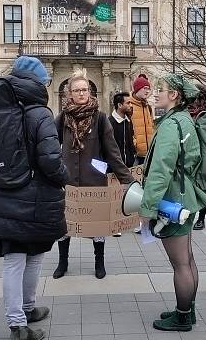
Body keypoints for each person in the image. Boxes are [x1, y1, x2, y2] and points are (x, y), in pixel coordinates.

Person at [0, 56, 68, 340]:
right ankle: (18, 322)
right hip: (35, 196)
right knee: (29, 258)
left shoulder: (1, 107)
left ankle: (26, 311)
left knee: (18, 257)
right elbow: (51, 160)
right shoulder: (39, 112)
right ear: (39, 83)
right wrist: (65, 177)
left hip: (4, 192)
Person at [53, 69, 135, 279]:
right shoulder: (62, 118)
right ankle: (63, 263)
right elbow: (51, 146)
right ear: (69, 94)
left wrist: (128, 180)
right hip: (68, 181)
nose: (81, 94)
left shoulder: (99, 118)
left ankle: (99, 262)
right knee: (65, 225)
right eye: (77, 90)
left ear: (90, 93)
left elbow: (112, 152)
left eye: (85, 90)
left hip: (94, 181)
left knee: (98, 226)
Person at [141, 73, 206, 331]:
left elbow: (161, 169)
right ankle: (187, 310)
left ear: (174, 96)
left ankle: (181, 317)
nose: (156, 93)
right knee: (188, 259)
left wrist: (147, 208)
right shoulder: (183, 120)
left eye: (162, 89)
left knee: (180, 264)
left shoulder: (171, 125)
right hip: (186, 196)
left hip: (173, 202)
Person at [129, 74, 155, 234]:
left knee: (147, 188)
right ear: (138, 89)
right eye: (145, 88)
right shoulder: (129, 105)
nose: (148, 91)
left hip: (148, 153)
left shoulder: (147, 106)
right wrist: (134, 144)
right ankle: (134, 220)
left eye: (148, 88)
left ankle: (144, 220)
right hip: (135, 154)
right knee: (135, 188)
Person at [189, 84, 206, 231]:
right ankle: (191, 215)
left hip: (203, 155)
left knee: (202, 187)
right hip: (190, 154)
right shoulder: (187, 111)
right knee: (191, 187)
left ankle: (201, 218)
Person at [108, 92, 136, 168]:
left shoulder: (128, 121)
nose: (131, 105)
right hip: (114, 169)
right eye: (128, 103)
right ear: (120, 105)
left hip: (129, 167)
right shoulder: (108, 123)